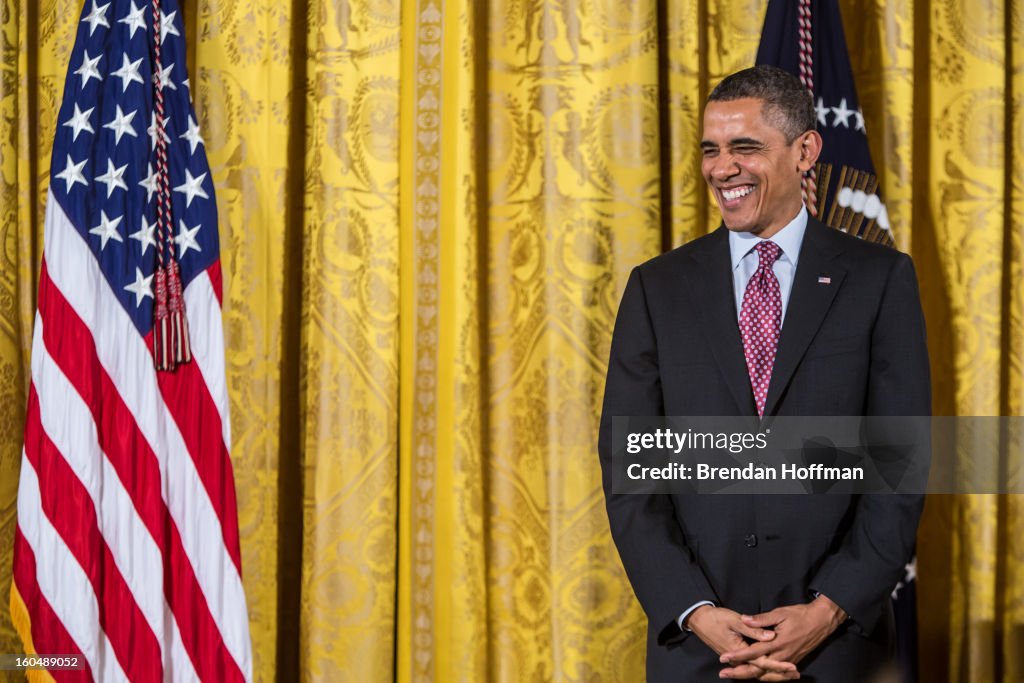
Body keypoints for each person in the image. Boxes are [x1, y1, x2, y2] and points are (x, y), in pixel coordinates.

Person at [597, 65, 930, 682]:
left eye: (744, 147)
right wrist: (696, 612)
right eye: (711, 150)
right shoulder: (657, 288)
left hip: (836, 649)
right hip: (698, 650)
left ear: (805, 150)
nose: (722, 169)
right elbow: (630, 471)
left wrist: (825, 612)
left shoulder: (880, 280)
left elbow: (901, 467)